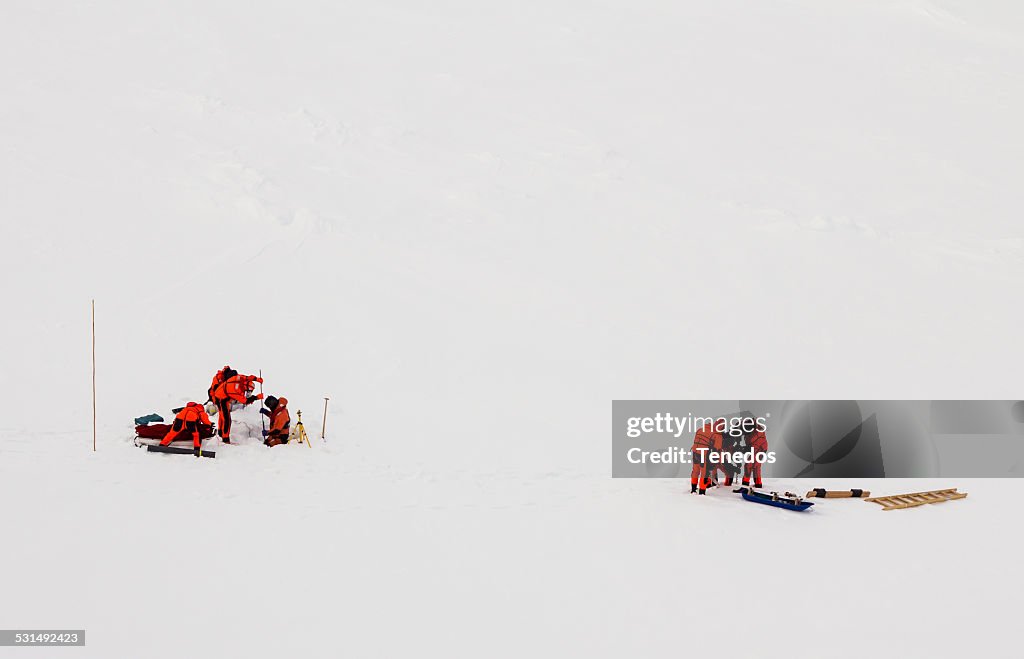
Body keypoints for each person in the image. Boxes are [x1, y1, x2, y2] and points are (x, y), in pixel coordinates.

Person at [211, 368, 263, 443]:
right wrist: (257, 397)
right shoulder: (235, 389)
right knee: (227, 419)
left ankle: (220, 432)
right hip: (221, 399)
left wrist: (257, 379)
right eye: (248, 391)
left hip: (223, 396)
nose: (248, 393)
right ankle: (225, 439)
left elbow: (248, 377)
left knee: (223, 416)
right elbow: (244, 401)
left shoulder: (239, 378)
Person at [691, 418, 725, 495]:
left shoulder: (701, 429)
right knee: (704, 473)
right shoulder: (717, 435)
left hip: (695, 452)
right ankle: (702, 492)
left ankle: (693, 489)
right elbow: (717, 449)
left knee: (695, 471)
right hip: (703, 454)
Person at [742, 421, 769, 489]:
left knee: (748, 465)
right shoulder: (751, 431)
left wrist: (745, 449)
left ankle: (745, 484)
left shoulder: (756, 434)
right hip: (759, 448)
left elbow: (754, 445)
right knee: (756, 466)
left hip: (760, 449)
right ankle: (758, 484)